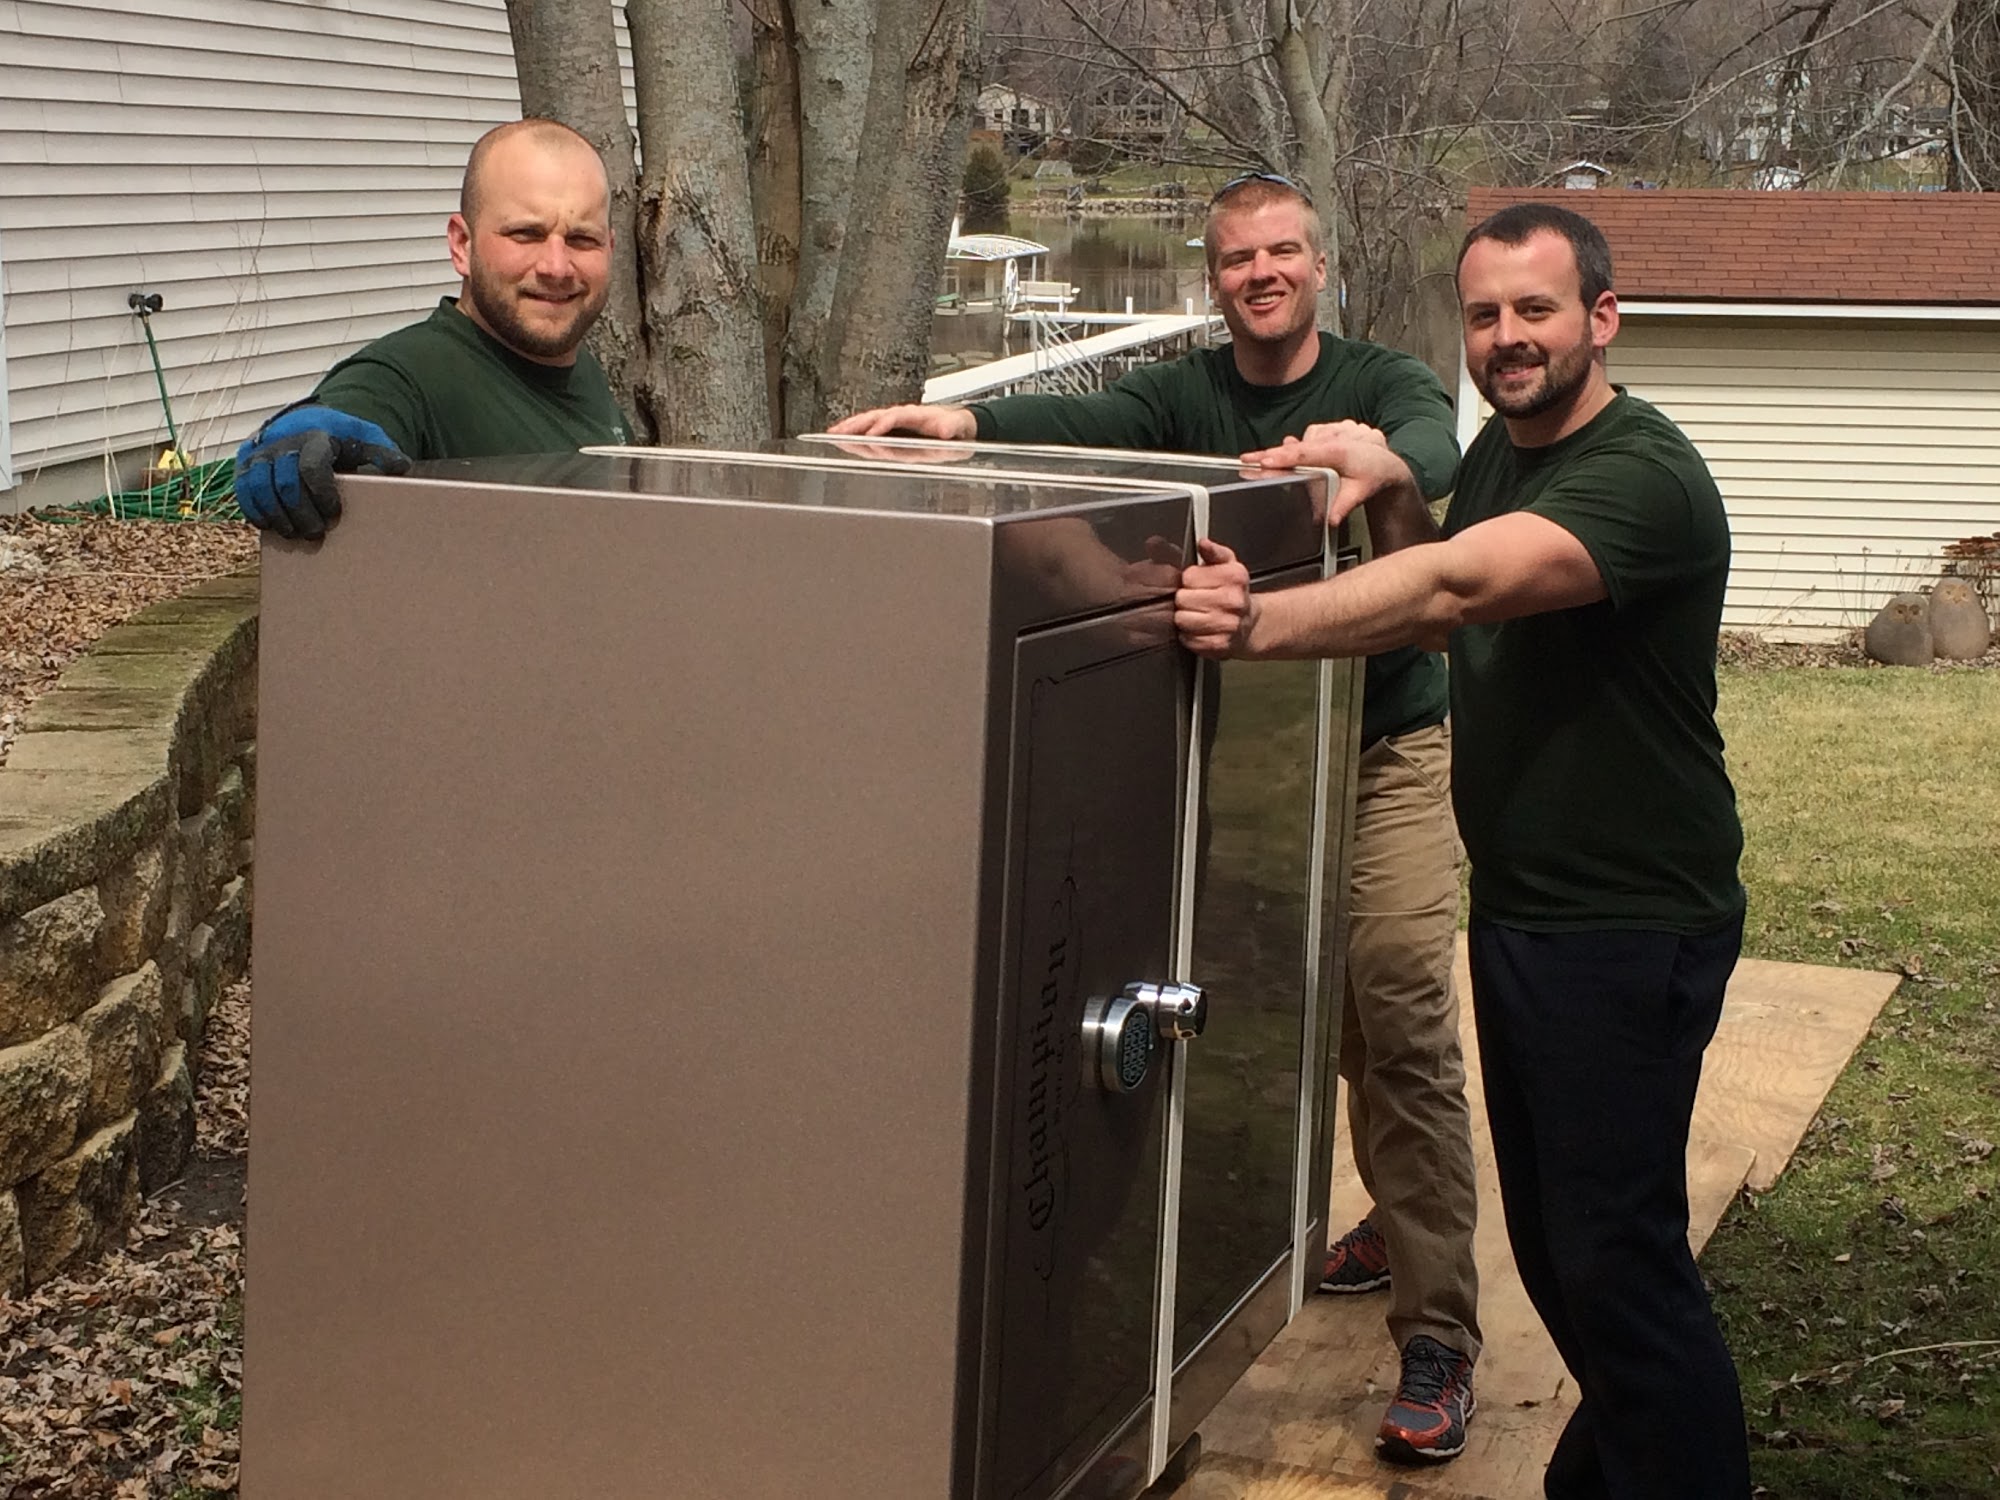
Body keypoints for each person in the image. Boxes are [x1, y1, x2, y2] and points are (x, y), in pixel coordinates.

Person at [832, 173, 1484, 1466]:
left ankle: (1440, 1337)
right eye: (1237, 258)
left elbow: (1432, 447)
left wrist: (1378, 461)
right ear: (1214, 276)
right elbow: (1079, 417)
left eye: (1282, 252)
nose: (1261, 273)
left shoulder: (1377, 379)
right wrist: (956, 419)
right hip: (1255, 754)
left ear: (1319, 266)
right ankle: (1384, 1219)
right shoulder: (1185, 395)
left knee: (1400, 1003)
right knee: (1319, 1011)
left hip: (1384, 751)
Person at [1176, 201, 1750, 1500]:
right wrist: (1393, 494)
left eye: (1534, 309)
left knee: (1619, 1259)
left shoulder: (1641, 474)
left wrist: (1254, 626)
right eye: (1483, 315)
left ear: (1601, 318)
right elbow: (1440, 605)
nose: (1505, 337)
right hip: (1529, 913)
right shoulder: (1503, 451)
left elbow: (1460, 588)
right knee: (1560, 1251)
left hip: (1628, 924)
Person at [234, 117, 629, 539]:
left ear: (609, 248)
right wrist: (306, 434)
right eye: (526, 234)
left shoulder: (582, 371)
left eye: (582, 239)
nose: (557, 267)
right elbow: (357, 408)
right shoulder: (411, 375)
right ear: (462, 245)